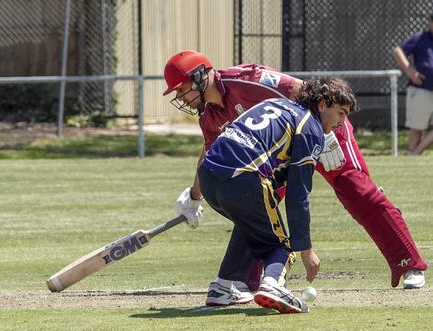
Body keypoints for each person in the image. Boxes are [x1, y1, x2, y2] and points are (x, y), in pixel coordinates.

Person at [164, 51, 427, 307]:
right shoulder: (209, 114)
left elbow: (306, 90)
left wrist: (329, 137)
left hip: (323, 126)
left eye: (182, 88)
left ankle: (409, 265)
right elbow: (212, 152)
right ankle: (239, 280)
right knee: (255, 202)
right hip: (277, 153)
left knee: (355, 188)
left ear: (201, 76)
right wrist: (194, 197)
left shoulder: (245, 79)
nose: (180, 97)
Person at [198, 78, 356, 313]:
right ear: (322, 104)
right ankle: (273, 284)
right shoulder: (309, 127)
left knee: (252, 223)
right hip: (243, 177)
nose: (342, 123)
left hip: (208, 177)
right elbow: (297, 195)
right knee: (280, 245)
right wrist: (306, 249)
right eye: (341, 113)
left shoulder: (276, 103)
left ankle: (224, 286)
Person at [393, 13, 433, 155]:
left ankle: (414, 153)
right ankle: (413, 155)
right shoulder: (420, 38)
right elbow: (398, 51)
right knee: (417, 127)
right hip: (420, 89)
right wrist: (409, 70)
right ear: (430, 23)